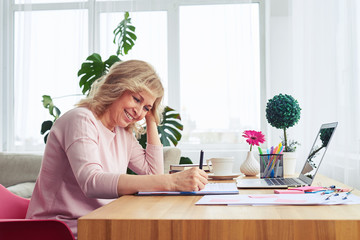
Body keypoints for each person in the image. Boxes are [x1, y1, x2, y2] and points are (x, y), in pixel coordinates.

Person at [26, 60, 208, 238]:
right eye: (136, 99)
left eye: (146, 107)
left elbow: (152, 173)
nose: (139, 112)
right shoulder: (81, 120)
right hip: (61, 228)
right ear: (117, 86)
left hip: (98, 221)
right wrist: (172, 182)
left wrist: (151, 120)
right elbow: (91, 181)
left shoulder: (122, 132)